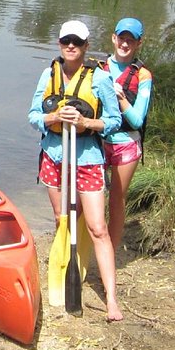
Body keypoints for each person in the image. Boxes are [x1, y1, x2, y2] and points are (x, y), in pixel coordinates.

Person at [28, 20, 125, 322]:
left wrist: (85, 124)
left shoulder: (100, 78)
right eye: (65, 41)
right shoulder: (48, 74)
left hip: (87, 160)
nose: (71, 46)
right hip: (55, 157)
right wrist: (54, 115)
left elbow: (114, 121)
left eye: (77, 42)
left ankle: (111, 298)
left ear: (85, 46)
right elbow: (33, 116)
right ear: (59, 44)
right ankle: (62, 276)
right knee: (63, 222)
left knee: (97, 227)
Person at [100, 18, 153, 252]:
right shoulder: (98, 69)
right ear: (113, 38)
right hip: (98, 142)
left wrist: (119, 97)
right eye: (122, 38)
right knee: (89, 198)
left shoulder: (143, 76)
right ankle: (89, 246)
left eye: (130, 39)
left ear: (139, 43)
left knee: (116, 201)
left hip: (126, 144)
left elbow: (137, 120)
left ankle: (109, 251)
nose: (125, 43)